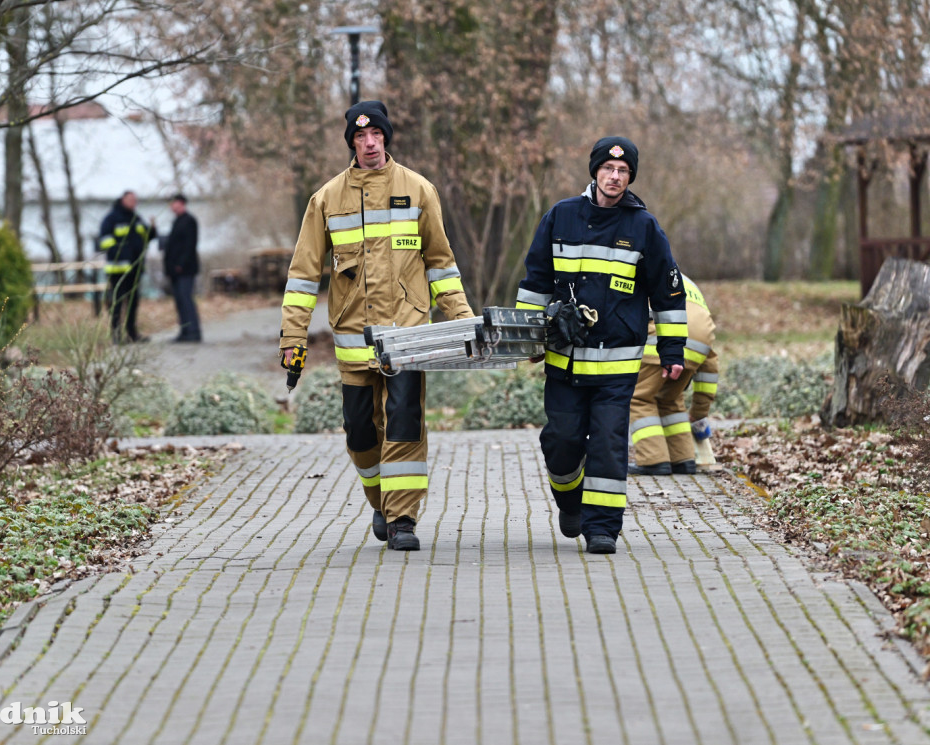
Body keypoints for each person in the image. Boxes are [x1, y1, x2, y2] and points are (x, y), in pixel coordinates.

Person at [279, 100, 473, 552]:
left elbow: (441, 265)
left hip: (407, 337)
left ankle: (403, 519)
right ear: (351, 142)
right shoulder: (326, 199)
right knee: (360, 433)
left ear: (386, 139)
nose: (369, 144)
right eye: (361, 137)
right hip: (354, 342)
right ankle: (382, 502)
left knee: (404, 424)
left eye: (377, 136)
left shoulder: (419, 190)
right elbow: (304, 274)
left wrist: (462, 323)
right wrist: (293, 337)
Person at [515, 136, 686, 555]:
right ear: (594, 171)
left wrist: (672, 352)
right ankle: (570, 501)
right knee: (561, 441)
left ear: (630, 177)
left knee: (609, 446)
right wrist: (527, 340)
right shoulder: (561, 216)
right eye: (608, 169)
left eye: (623, 171)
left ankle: (602, 528)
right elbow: (535, 281)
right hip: (564, 361)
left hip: (617, 364)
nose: (615, 177)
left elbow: (668, 293)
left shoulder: (643, 227)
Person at [629, 273, 719, 475]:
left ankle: (653, 460)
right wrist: (699, 414)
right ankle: (683, 459)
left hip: (663, 339)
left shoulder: (642, 273)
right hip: (700, 345)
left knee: (639, 397)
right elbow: (710, 370)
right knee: (669, 398)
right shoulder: (688, 283)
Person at [98, 190, 157, 343]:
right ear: (123, 200)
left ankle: (132, 334)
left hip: (135, 269)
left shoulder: (136, 218)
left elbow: (146, 237)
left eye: (135, 200)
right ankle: (116, 336)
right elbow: (104, 241)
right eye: (131, 199)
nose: (133, 202)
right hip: (118, 270)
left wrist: (152, 230)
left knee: (133, 303)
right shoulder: (111, 218)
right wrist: (122, 252)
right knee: (117, 304)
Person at [163, 193, 202, 343]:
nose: (172, 206)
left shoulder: (189, 221)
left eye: (174, 203)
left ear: (181, 203)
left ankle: (193, 331)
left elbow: (189, 245)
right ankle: (185, 331)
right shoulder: (177, 221)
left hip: (185, 269)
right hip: (175, 270)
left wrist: (181, 263)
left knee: (186, 299)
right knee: (180, 300)